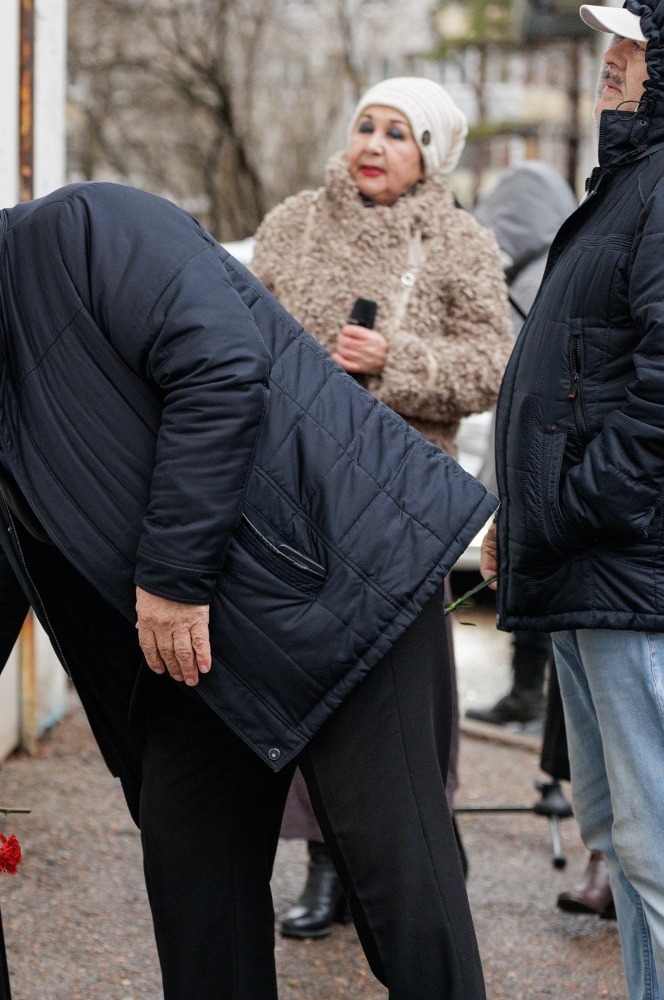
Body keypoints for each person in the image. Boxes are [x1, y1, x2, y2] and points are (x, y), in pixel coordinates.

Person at [0, 154, 492, 997]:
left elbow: (219, 370)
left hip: (345, 591)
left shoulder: (91, 229)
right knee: (194, 881)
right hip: (201, 650)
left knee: (404, 893)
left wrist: (172, 578)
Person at [251, 77, 512, 938]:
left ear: (430, 153)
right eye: (367, 124)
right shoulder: (293, 223)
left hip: (403, 500)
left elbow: (494, 364)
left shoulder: (460, 242)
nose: (374, 144)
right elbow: (240, 338)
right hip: (299, 492)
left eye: (399, 133)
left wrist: (396, 360)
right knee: (308, 679)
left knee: (408, 692)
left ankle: (415, 856)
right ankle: (325, 862)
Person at [482, 2, 664, 996]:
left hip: (631, 574)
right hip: (590, 567)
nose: (613, 59)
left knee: (660, 855)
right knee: (634, 856)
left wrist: (570, 507)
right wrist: (529, 514)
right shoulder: (628, 184)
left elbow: (660, 398)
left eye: (634, 41)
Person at [466, 163, 578, 728]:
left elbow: (518, 391)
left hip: (539, 464)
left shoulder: (526, 282)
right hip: (568, 466)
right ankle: (536, 704)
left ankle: (530, 699)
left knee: (535, 580)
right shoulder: (567, 263)